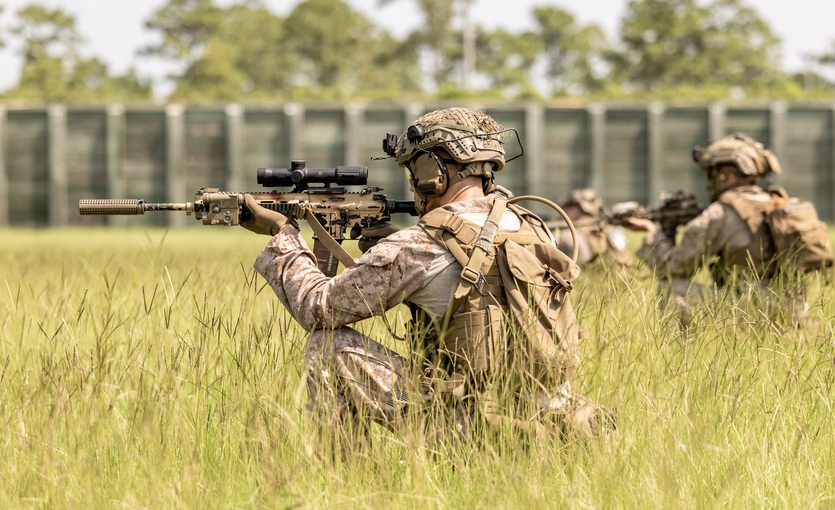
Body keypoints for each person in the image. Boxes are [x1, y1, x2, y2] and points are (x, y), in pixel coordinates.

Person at [240, 107, 612, 450]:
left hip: (474, 424)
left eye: (413, 170)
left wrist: (282, 234)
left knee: (327, 345)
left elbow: (318, 306)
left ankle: (343, 483)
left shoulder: (417, 245)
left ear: (432, 169)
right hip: (547, 415)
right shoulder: (531, 226)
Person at [622, 133, 803, 326]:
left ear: (726, 174)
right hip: (792, 308)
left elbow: (673, 268)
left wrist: (651, 232)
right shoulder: (774, 203)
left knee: (672, 289)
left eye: (711, 174)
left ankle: (680, 353)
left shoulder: (721, 213)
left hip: (753, 310)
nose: (708, 184)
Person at [554, 188, 631, 267]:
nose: (562, 213)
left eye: (566, 208)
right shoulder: (611, 229)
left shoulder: (569, 237)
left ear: (575, 208)